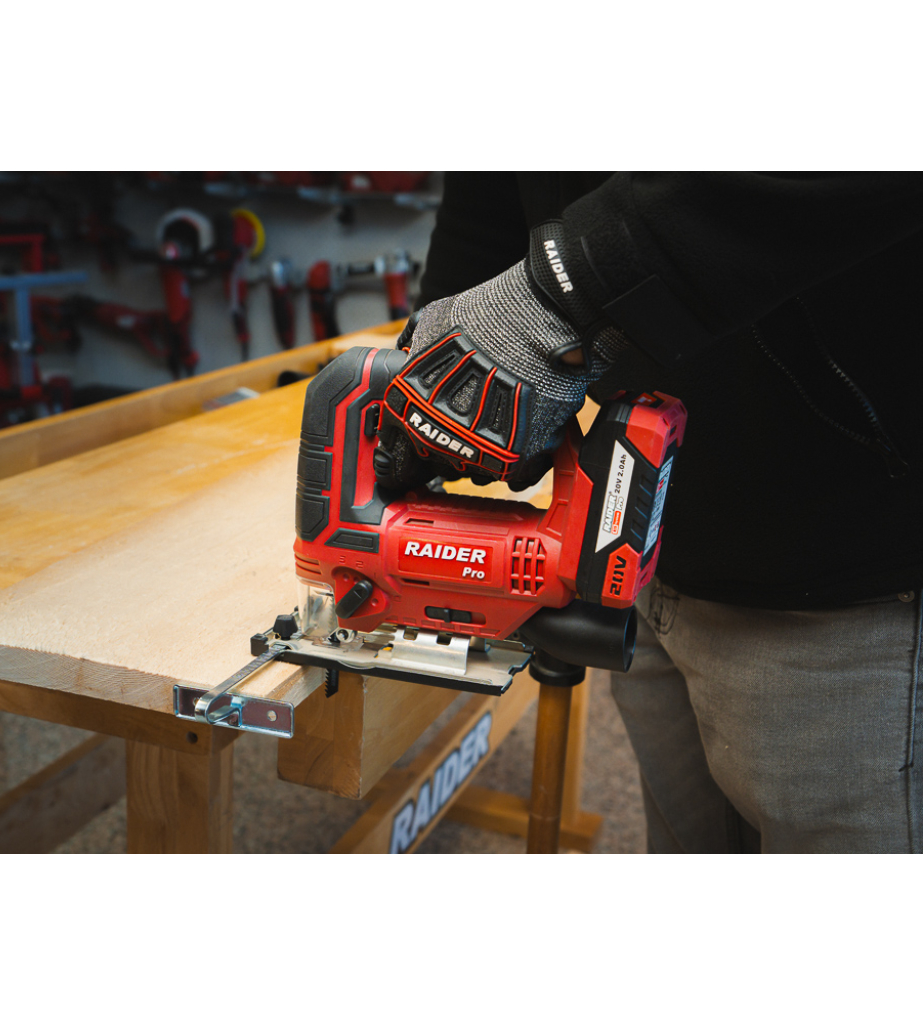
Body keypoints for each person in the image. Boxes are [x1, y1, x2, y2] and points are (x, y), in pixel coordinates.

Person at [375, 172, 923, 853]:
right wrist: (443, 359)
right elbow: (490, 193)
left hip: (850, 576)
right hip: (646, 539)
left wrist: (564, 291)